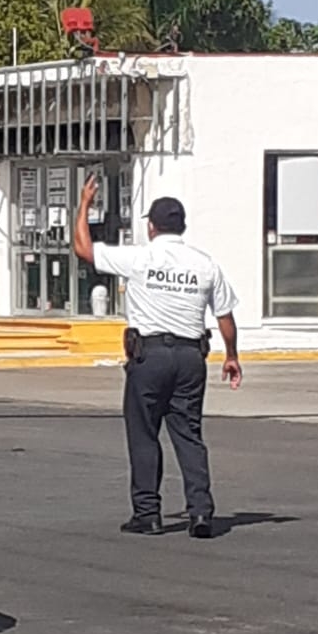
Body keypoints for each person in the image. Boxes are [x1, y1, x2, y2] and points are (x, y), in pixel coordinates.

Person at [74, 178, 242, 538]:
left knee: (144, 434)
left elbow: (84, 250)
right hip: (190, 357)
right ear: (182, 226)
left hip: (149, 357)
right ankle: (200, 512)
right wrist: (232, 356)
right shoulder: (204, 264)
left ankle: (148, 513)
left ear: (151, 226)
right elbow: (225, 316)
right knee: (189, 435)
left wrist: (85, 204)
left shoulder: (140, 257)